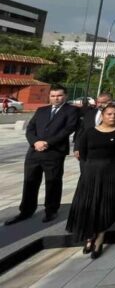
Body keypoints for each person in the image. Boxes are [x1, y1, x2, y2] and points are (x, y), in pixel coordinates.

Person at [5, 86, 79, 225]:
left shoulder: (72, 110)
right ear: (49, 97)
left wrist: (47, 143)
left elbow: (68, 129)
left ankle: (51, 210)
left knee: (53, 182)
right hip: (34, 152)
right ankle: (26, 210)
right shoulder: (41, 110)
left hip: (54, 152)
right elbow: (30, 128)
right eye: (53, 96)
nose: (56, 98)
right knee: (30, 181)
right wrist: (35, 142)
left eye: (59, 95)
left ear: (65, 96)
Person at [66, 104, 115, 258]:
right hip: (91, 173)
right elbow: (83, 153)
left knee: (104, 205)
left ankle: (99, 239)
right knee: (88, 204)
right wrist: (91, 168)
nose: (113, 117)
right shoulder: (89, 132)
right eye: (109, 114)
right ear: (103, 116)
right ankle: (88, 236)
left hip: (111, 172)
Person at [74, 92, 112, 171]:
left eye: (103, 102)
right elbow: (81, 132)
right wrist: (77, 148)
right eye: (98, 102)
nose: (99, 104)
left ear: (110, 102)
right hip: (86, 152)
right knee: (84, 176)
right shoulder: (89, 114)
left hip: (104, 153)